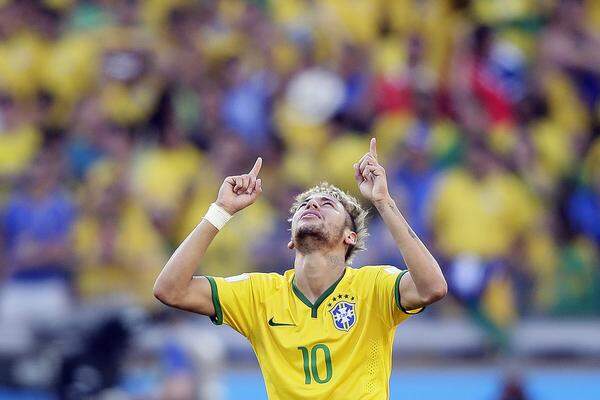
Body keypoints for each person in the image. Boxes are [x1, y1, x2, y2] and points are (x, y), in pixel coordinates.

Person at [154, 138, 447, 399]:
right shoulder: (259, 294)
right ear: (291, 241)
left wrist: (383, 202)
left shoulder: (374, 286)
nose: (312, 205)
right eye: (305, 204)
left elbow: (432, 287)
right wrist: (220, 210)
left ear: (350, 237)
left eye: (327, 204)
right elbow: (170, 290)